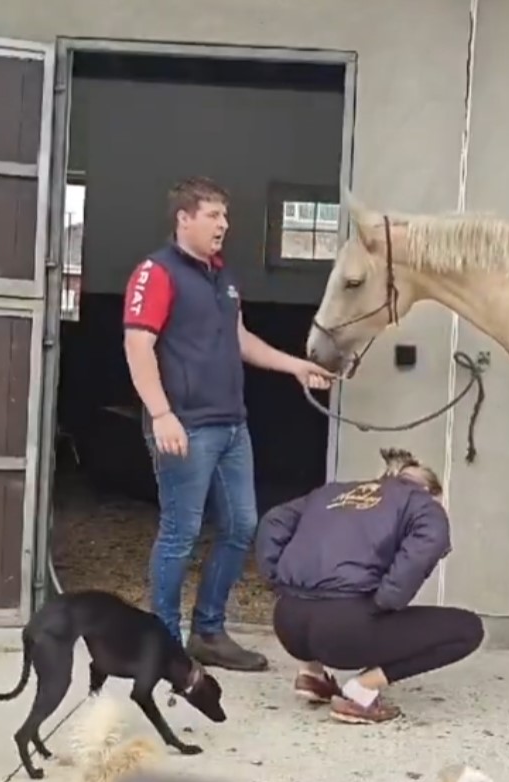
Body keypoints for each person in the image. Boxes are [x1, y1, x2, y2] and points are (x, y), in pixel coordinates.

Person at [122, 176, 334, 672]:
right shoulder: (156, 273)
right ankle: (164, 640)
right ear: (184, 218)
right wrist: (160, 413)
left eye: (225, 216)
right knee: (181, 532)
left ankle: (209, 632)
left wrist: (295, 366)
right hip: (185, 427)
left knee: (242, 525)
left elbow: (240, 340)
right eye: (213, 215)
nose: (224, 224)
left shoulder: (222, 276)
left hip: (232, 424)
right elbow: (138, 345)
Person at [255, 447, 485, 724]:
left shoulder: (333, 493)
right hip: (343, 633)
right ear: (429, 491)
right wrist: (388, 598)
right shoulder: (421, 502)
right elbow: (429, 540)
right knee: (467, 629)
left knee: (327, 605)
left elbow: (274, 520)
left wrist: (277, 580)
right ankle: (361, 691)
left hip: (288, 623)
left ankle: (311, 675)